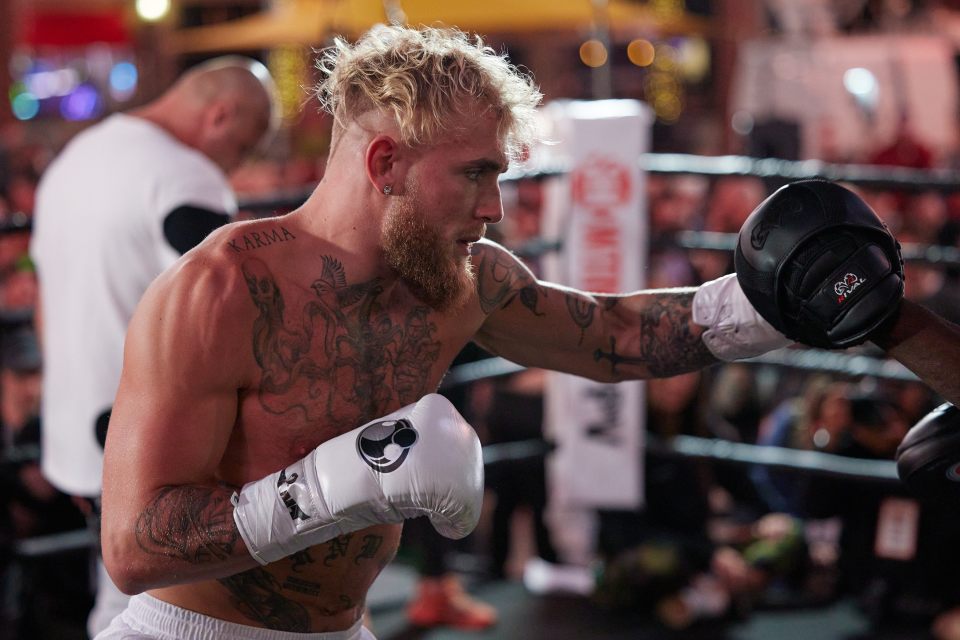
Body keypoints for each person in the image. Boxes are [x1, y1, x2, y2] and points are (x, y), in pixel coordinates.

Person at [95, 25, 958, 640]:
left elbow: (615, 335)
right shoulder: (220, 291)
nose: (494, 207)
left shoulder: (464, 279)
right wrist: (325, 487)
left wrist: (772, 299)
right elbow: (134, 548)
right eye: (473, 174)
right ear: (384, 162)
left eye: (499, 177)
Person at [29, 56, 278, 636]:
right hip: (150, 442)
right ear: (219, 117)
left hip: (78, 427)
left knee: (119, 596)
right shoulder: (184, 176)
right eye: (240, 148)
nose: (234, 167)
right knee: (162, 609)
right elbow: (230, 314)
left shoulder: (74, 158)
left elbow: (45, 298)